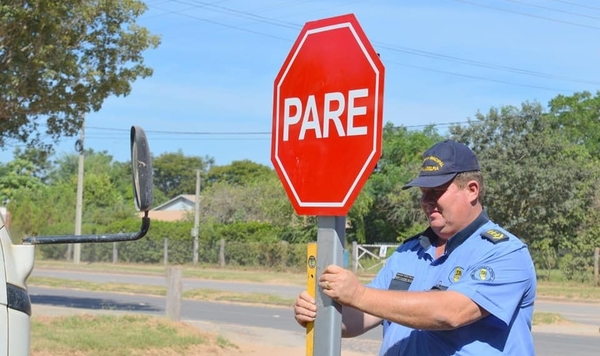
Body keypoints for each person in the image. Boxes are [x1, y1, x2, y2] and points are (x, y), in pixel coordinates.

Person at [293, 139, 537, 355]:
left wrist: (359, 295)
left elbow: (452, 312)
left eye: (437, 191)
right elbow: (366, 315)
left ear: (472, 190)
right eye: (423, 193)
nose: (426, 201)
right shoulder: (410, 251)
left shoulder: (504, 253)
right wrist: (321, 315)